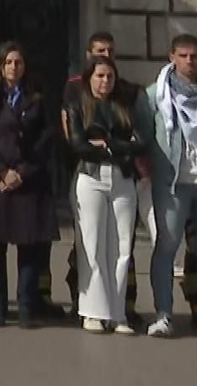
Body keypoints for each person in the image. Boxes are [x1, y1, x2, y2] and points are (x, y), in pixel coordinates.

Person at [0, 42, 58, 328]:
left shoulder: (37, 100)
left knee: (29, 250)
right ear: (0, 66)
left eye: (18, 62)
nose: (13, 67)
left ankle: (25, 306)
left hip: (28, 181)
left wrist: (21, 172)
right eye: (8, 62)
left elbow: (46, 139)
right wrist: (1, 172)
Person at [67, 55, 145, 334]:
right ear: (89, 78)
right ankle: (92, 311)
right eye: (100, 76)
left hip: (122, 179)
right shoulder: (78, 104)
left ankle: (118, 312)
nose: (105, 81)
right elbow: (78, 145)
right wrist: (120, 146)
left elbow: (140, 144)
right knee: (92, 244)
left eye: (110, 76)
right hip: (90, 178)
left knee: (123, 247)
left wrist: (109, 144)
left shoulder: (124, 106)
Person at [143, 33, 197, 337]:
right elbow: (142, 133)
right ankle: (163, 313)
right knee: (167, 247)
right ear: (171, 57)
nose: (189, 61)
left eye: (194, 55)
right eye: (183, 56)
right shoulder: (156, 95)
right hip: (173, 184)